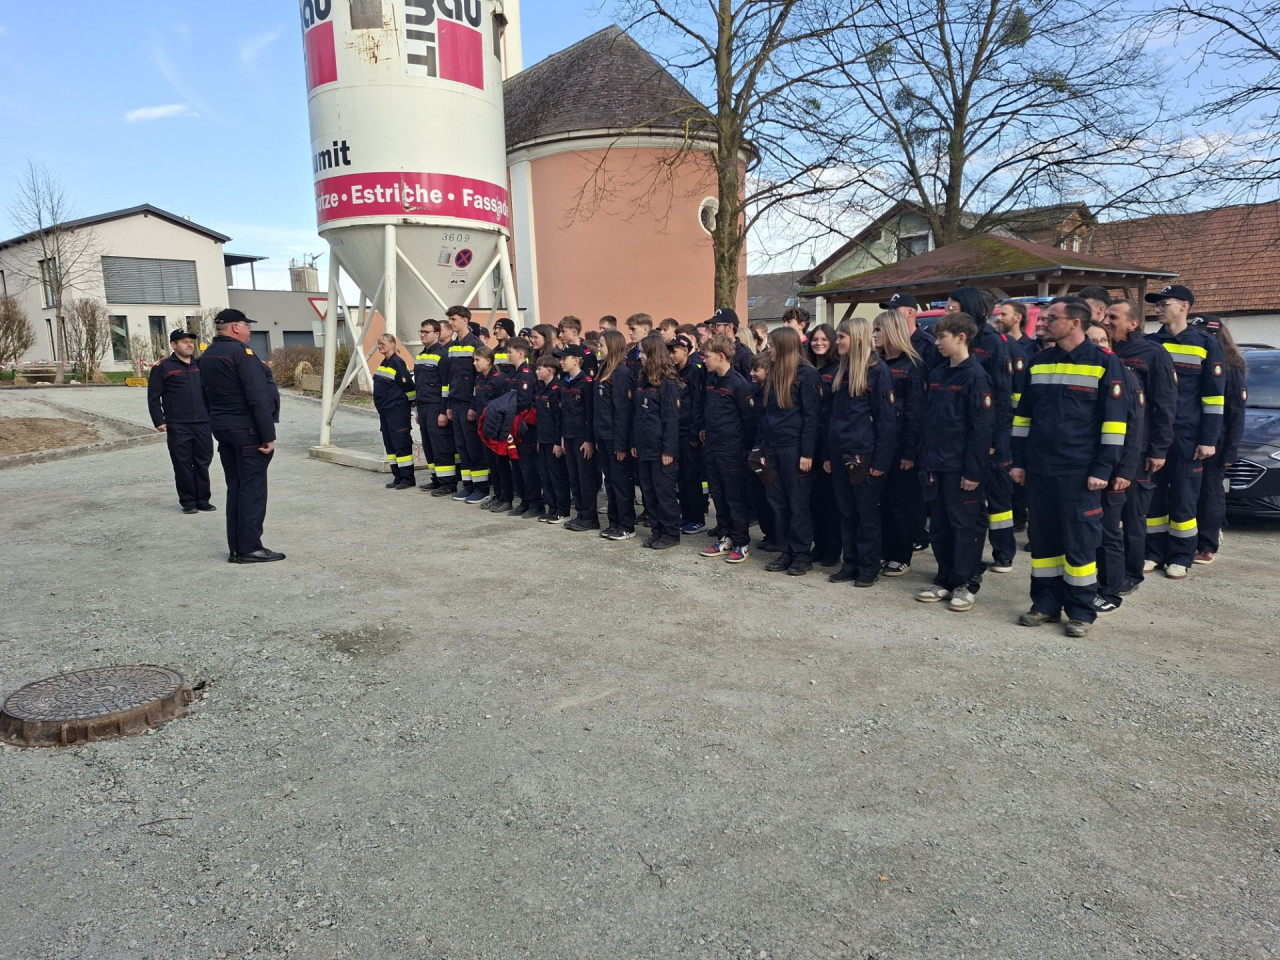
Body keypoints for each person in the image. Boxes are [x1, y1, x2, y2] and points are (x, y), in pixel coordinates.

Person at [1011, 297, 1128, 638]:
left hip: (1079, 471)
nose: (1043, 323)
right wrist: (1018, 461)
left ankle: (1080, 611)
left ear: (1075, 323)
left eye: (1052, 318)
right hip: (1040, 469)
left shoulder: (1105, 363)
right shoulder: (1039, 362)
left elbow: (1115, 425)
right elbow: (1023, 418)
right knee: (1043, 541)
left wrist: (1103, 469)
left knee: (1080, 543)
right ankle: (1045, 604)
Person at [1143, 284, 1224, 579]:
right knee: (1153, 496)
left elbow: (1213, 397)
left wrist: (1208, 439)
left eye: (1164, 304)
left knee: (1184, 498)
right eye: (1157, 304)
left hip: (1187, 435)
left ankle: (1181, 556)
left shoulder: (1205, 344)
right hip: (1154, 435)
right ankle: (1153, 552)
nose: (1158, 309)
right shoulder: (1150, 343)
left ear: (1184, 307)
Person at [915, 312, 993, 610]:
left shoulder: (976, 376)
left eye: (941, 337)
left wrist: (973, 471)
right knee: (940, 526)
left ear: (961, 337)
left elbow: (981, 429)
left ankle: (965, 583)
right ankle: (944, 579)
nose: (937, 343)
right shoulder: (938, 374)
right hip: (936, 463)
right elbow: (929, 421)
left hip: (961, 468)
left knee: (965, 526)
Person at [1102, 298, 1176, 593]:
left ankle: (1131, 574)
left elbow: (1165, 405)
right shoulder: (1103, 351)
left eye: (1114, 317)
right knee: (1106, 517)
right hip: (1105, 450)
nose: (1107, 321)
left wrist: (1159, 449)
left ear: (1133, 323)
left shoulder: (1152, 354)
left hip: (1139, 450)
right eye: (1106, 316)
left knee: (1132, 516)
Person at [199, 308, 283, 563]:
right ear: (236, 327)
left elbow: (205, 394)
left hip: (225, 430)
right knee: (252, 490)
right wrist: (267, 435)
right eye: (247, 326)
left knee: (236, 488)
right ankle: (249, 548)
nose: (250, 330)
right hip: (247, 432)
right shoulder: (241, 353)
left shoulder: (208, 354)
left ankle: (238, 547)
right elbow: (256, 396)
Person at [824, 317, 897, 587]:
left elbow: (886, 421)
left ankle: (868, 567)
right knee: (846, 512)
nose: (837, 341)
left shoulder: (877, 371)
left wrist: (881, 462)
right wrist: (828, 455)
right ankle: (850, 563)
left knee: (866, 514)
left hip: (864, 455)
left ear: (856, 338)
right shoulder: (842, 370)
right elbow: (833, 419)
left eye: (841, 337)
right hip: (840, 453)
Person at [947, 286, 1015, 574]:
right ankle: (968, 555)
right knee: (969, 503)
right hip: (960, 434)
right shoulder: (950, 340)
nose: (948, 312)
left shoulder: (993, 342)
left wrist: (996, 440)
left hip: (990, 432)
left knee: (997, 497)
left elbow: (1002, 395)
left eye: (953, 308)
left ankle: (1003, 551)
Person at [1084, 321, 1145, 617]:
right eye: (1091, 341)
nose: (1097, 347)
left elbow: (1134, 429)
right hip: (1083, 468)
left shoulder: (1124, 375)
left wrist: (1124, 471)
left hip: (1113, 470)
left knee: (1109, 531)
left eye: (1102, 341)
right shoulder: (1083, 374)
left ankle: (1110, 590)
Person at [758, 326, 821, 575]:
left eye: (772, 346)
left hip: (794, 449)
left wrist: (807, 453)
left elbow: (812, 417)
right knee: (778, 503)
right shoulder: (774, 373)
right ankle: (786, 550)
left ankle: (802, 554)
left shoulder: (807, 374)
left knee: (798, 504)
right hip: (772, 448)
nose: (769, 350)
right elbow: (764, 414)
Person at [873, 310, 925, 577]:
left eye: (878, 330)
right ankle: (885, 550)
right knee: (882, 501)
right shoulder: (876, 363)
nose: (874, 335)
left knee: (901, 503)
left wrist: (909, 452)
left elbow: (916, 412)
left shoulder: (913, 365)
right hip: (879, 443)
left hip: (902, 445)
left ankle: (901, 555)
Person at [699, 335, 758, 563]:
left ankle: (741, 542)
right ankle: (725, 537)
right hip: (712, 448)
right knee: (718, 495)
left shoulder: (739, 384)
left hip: (732, 451)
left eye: (707, 356)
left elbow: (749, 421)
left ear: (721, 356)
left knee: (735, 498)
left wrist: (745, 450)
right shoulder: (711, 380)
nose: (704, 360)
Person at [1194, 315, 1247, 564]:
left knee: (1210, 493)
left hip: (1217, 441)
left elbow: (1236, 412)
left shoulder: (1231, 367)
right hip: (1190, 437)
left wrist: (1230, 451)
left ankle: (1208, 543)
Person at [147, 328, 214, 514]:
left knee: (203, 462)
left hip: (202, 422)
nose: (189, 345)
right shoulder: (163, 367)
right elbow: (153, 397)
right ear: (174, 344)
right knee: (182, 463)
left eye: (191, 341)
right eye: (185, 342)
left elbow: (210, 393)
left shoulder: (200, 365)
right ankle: (188, 501)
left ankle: (203, 500)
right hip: (178, 424)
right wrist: (159, 420)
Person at [631, 333, 682, 549]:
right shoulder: (643, 379)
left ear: (653, 354)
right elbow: (638, 416)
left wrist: (668, 451)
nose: (640, 356)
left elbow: (671, 420)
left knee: (664, 493)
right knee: (649, 492)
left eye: (643, 352)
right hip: (644, 446)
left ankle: (670, 533)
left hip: (661, 449)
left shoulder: (667, 383)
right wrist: (635, 443)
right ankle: (656, 530)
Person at [594, 329, 637, 541]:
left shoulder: (621, 373)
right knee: (610, 483)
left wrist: (621, 445)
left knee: (621, 483)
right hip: (602, 435)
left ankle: (626, 525)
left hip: (615, 438)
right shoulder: (604, 369)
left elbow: (623, 413)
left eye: (602, 345)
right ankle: (614, 523)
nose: (598, 348)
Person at [445, 306, 489, 503]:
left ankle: (482, 488)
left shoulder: (475, 345)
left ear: (465, 320)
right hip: (456, 403)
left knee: (473, 447)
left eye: (453, 319)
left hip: (469, 404)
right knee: (462, 447)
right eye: (449, 319)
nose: (450, 323)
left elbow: (478, 379)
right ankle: (468, 485)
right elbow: (450, 378)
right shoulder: (453, 346)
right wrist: (448, 404)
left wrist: (473, 405)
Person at [807, 322, 841, 567]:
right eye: (815, 339)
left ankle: (832, 548)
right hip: (810, 441)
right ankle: (818, 545)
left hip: (828, 441)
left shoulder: (837, 370)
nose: (818, 343)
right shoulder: (809, 370)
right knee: (814, 500)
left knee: (830, 500)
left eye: (824, 340)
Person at [557, 343, 601, 531]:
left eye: (564, 358)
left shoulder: (586, 383)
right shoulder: (564, 383)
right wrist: (562, 437)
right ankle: (581, 514)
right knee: (574, 479)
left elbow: (591, 414)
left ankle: (590, 517)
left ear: (576, 360)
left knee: (585, 479)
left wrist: (589, 440)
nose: (561, 362)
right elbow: (563, 414)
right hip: (569, 436)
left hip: (582, 438)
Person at [669, 334, 708, 533]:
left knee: (692, 477)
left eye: (674, 351)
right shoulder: (675, 372)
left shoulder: (695, 371)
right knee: (681, 477)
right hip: (677, 430)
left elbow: (697, 404)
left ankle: (697, 518)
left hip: (689, 432)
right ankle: (685, 515)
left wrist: (694, 433)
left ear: (685, 350)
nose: (671, 355)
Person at [471, 345, 513, 512]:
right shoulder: (479, 378)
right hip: (484, 427)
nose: (474, 363)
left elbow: (503, 405)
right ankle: (497, 495)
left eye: (477, 360)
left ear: (488, 361)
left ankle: (506, 498)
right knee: (492, 464)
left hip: (496, 428)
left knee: (501, 464)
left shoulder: (499, 380)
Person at [373, 333, 417, 490]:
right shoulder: (384, 363)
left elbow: (408, 386)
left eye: (383, 343)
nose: (380, 346)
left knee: (401, 445)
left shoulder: (397, 362)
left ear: (392, 344)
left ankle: (407, 478)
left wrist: (409, 404)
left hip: (397, 412)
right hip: (385, 413)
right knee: (390, 446)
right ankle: (397, 477)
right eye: (379, 343)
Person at [534, 356, 571, 523]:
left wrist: (557, 442)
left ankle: (562, 510)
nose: (536, 372)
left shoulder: (557, 389)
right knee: (545, 476)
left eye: (539, 369)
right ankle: (552, 508)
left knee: (557, 476)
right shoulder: (542, 389)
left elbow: (559, 419)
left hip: (552, 440)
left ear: (549, 370)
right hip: (542, 439)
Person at [746, 354, 778, 551]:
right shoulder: (754, 392)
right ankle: (769, 533)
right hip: (755, 448)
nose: (751, 373)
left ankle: (778, 536)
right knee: (758, 495)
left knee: (772, 495)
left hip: (769, 448)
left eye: (756, 370)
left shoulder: (773, 394)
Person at [881, 291, 937, 371]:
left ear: (909, 312)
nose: (890, 314)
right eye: (889, 310)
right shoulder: (888, 343)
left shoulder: (928, 345)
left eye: (894, 310)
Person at [707, 307, 755, 377]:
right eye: (711, 325)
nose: (712, 329)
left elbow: (749, 381)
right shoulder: (713, 352)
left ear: (730, 326)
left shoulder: (744, 354)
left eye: (717, 325)